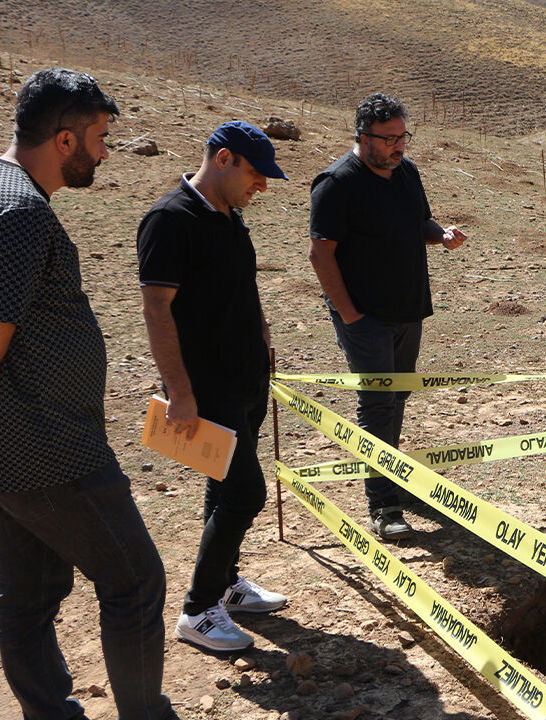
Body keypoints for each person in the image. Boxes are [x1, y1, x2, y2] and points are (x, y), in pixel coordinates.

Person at [0, 68, 178, 719]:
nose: (104, 150)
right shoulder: (18, 213)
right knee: (135, 579)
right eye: (99, 136)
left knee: (32, 596)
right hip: (49, 452)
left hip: (9, 450)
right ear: (64, 140)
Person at [137, 121, 289, 652]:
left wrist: (264, 334)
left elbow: (241, 289)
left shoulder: (231, 218)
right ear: (224, 158)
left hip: (247, 378)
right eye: (256, 173)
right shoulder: (168, 219)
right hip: (207, 386)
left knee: (222, 484)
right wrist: (179, 392)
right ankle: (197, 611)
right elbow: (157, 308)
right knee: (246, 492)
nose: (263, 186)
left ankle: (226, 586)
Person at [308, 93, 467, 540]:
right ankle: (382, 505)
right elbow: (321, 254)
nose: (399, 146)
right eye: (390, 138)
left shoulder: (407, 173)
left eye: (403, 137)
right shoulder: (336, 183)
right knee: (377, 403)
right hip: (365, 317)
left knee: (398, 397)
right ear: (364, 136)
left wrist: (443, 234)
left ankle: (391, 476)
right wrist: (350, 316)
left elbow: (420, 224)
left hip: (408, 308)